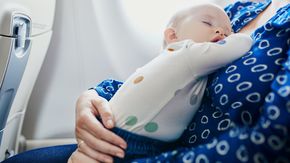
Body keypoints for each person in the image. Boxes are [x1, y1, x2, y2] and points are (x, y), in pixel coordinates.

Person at [1, 0, 288, 163]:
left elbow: (271, 144)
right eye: (209, 26)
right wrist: (95, 97)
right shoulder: (243, 9)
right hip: (132, 138)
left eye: (224, 31)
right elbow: (157, 77)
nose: (220, 32)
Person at [68, 3, 252, 163]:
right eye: (207, 23)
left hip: (119, 132)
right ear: (173, 35)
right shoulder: (188, 54)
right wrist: (239, 35)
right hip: (131, 143)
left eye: (228, 31)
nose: (221, 31)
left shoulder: (170, 60)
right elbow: (242, 43)